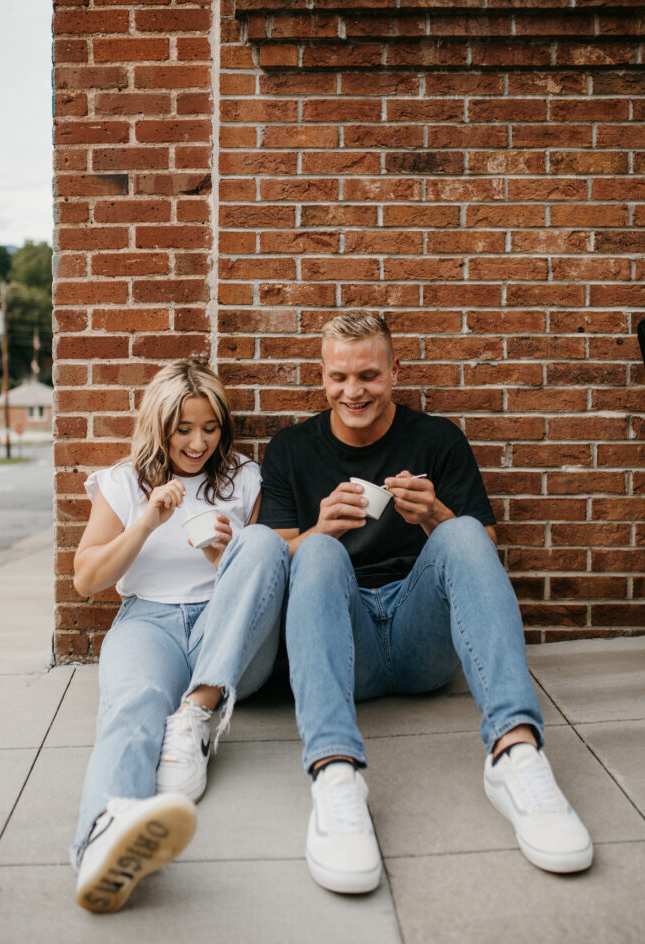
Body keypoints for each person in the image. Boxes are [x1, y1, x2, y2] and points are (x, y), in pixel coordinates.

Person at [258, 310, 593, 894]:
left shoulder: (437, 438)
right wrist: (319, 532)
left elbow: (482, 549)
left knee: (461, 530)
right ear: (322, 376)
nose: (353, 391)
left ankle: (516, 755)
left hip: (423, 639)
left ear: (394, 370)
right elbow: (269, 565)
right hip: (348, 640)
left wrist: (435, 517)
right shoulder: (291, 449)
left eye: (368, 375)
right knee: (313, 556)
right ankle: (335, 773)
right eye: (339, 377)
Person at [71, 359, 289, 913]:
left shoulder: (245, 477)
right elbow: (87, 580)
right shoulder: (123, 482)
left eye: (210, 428)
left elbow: (267, 578)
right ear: (158, 425)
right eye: (183, 429)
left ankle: (194, 717)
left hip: (229, 627)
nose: (198, 443)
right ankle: (100, 842)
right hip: (150, 620)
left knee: (259, 545)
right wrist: (145, 522)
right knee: (134, 702)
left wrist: (224, 555)